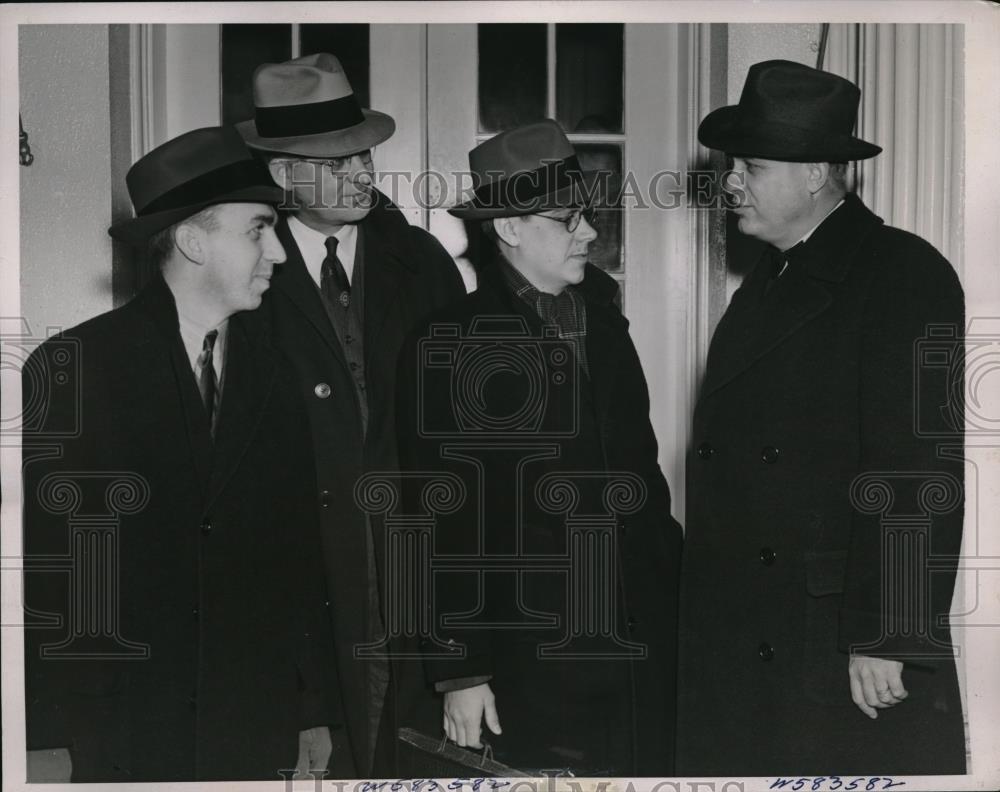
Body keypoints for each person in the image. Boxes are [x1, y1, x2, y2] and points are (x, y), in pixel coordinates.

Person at [22, 126, 339, 782]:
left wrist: (310, 708)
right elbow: (48, 570)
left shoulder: (277, 373)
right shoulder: (74, 367)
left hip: (251, 723)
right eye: (258, 230)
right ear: (194, 241)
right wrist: (43, 733)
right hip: (122, 728)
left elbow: (298, 556)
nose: (279, 253)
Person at [677, 60, 966, 775]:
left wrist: (889, 632)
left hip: (833, 639)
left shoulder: (902, 272)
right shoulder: (768, 282)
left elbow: (917, 465)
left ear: (814, 174)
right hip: (752, 627)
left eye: (750, 167)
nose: (731, 182)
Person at [396, 120, 683, 776]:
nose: (589, 232)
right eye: (568, 219)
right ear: (509, 227)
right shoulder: (451, 342)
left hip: (638, 641)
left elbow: (642, 477)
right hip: (530, 656)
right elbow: (439, 518)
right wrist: (462, 671)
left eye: (588, 215)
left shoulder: (604, 321)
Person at [236, 53, 466, 776]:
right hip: (303, 575)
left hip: (418, 562)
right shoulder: (245, 273)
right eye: (336, 163)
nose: (362, 173)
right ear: (282, 174)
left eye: (363, 154)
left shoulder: (421, 260)